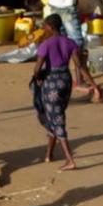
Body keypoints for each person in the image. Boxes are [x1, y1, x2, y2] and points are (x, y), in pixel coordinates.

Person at [31, 21, 80, 170]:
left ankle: (69, 159)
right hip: (66, 80)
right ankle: (49, 154)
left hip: (51, 83)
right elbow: (78, 63)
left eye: (45, 26)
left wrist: (37, 77)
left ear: (51, 27)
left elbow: (37, 67)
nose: (44, 29)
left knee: (56, 119)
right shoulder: (70, 42)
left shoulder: (46, 44)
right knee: (56, 114)